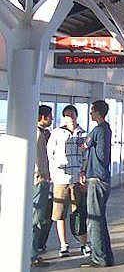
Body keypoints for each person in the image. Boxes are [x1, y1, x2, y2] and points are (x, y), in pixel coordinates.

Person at [47, 105, 90, 258]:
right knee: (60, 214)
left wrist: (83, 173)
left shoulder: (83, 133)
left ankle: (84, 243)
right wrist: (54, 174)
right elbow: (50, 154)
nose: (70, 117)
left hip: (77, 179)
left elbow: (86, 156)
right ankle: (63, 245)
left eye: (72, 114)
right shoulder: (56, 133)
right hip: (61, 179)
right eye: (66, 115)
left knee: (78, 212)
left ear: (76, 116)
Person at [81, 100, 114, 268]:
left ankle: (98, 257)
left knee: (94, 220)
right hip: (104, 178)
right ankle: (105, 255)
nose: (90, 114)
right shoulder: (106, 130)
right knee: (100, 218)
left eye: (92, 111)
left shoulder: (97, 130)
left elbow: (84, 147)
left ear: (97, 113)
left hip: (96, 179)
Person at [32, 104, 53, 268]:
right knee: (37, 218)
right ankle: (33, 254)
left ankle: (32, 252)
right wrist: (42, 175)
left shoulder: (36, 133)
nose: (51, 119)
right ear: (43, 117)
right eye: (50, 116)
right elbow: (39, 158)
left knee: (37, 217)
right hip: (40, 181)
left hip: (38, 180)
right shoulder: (38, 135)